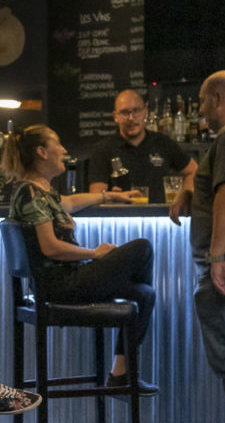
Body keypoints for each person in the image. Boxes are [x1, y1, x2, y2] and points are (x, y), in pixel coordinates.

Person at [2, 124, 158, 394]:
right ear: (42, 152)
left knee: (144, 294)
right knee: (142, 248)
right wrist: (94, 253)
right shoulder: (30, 194)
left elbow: (71, 203)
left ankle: (120, 374)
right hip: (60, 286)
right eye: (57, 143)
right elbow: (50, 248)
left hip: (66, 281)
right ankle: (123, 375)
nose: (64, 150)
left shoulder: (42, 192)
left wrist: (110, 195)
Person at [173, 71, 225, 420]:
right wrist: (193, 192)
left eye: (203, 102)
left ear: (218, 98)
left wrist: (217, 256)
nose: (201, 111)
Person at [89, 89, 196, 211]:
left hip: (160, 217)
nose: (131, 118)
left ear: (145, 112)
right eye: (124, 112)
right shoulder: (103, 149)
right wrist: (110, 198)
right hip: (121, 217)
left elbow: (193, 171)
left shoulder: (162, 142)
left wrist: (184, 197)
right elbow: (95, 194)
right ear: (115, 117)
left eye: (136, 111)